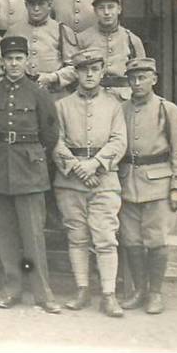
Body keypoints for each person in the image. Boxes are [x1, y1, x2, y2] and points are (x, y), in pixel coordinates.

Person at [0, 36, 63, 313]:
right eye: (9, 59)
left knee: (32, 235)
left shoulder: (39, 93)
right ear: (2, 62)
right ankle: (12, 286)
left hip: (29, 168)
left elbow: (50, 133)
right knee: (5, 235)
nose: (14, 64)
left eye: (19, 58)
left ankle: (42, 290)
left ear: (27, 61)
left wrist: (35, 155)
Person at [52, 48, 127, 317]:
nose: (90, 74)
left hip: (104, 180)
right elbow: (55, 141)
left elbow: (119, 141)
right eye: (84, 69)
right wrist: (76, 166)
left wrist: (95, 165)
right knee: (77, 236)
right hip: (70, 181)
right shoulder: (61, 105)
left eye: (95, 69)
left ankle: (108, 294)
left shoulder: (114, 105)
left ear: (102, 71)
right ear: (77, 73)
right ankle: (82, 289)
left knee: (105, 237)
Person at [118, 57, 177, 315]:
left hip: (159, 184)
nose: (137, 83)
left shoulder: (167, 109)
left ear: (154, 79)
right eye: (132, 78)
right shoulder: (122, 109)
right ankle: (139, 290)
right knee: (131, 240)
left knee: (156, 240)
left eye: (142, 77)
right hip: (127, 182)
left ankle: (155, 293)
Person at [5, 0, 78, 98]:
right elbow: (2, 62)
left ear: (49, 5)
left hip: (53, 94)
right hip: (21, 94)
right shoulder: (14, 30)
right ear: (26, 5)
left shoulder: (62, 30)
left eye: (41, 4)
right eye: (32, 4)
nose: (36, 9)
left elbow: (75, 68)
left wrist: (52, 77)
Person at [75, 0, 145, 102]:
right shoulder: (82, 38)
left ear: (119, 9)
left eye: (111, 7)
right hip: (92, 98)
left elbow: (142, 74)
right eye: (101, 8)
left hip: (123, 98)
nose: (106, 12)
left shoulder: (131, 39)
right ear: (95, 11)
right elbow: (74, 71)